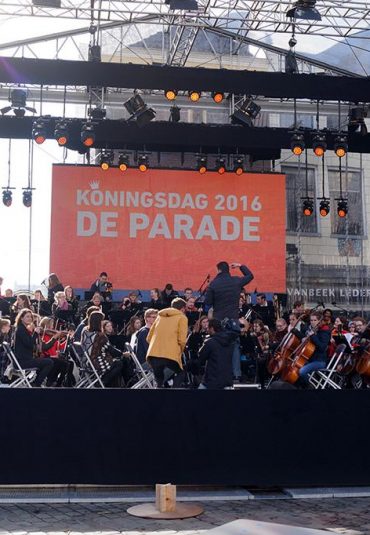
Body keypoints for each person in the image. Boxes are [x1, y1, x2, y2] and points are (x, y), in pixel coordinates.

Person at [204, 261, 254, 381]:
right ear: (228, 270)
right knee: (235, 346)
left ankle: (219, 374)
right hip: (233, 321)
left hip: (218, 321)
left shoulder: (213, 284)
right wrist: (240, 266)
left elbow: (208, 303)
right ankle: (236, 374)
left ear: (218, 270)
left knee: (218, 347)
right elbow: (250, 276)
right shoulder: (236, 281)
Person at [146, 297, 188, 388]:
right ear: (183, 308)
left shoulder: (160, 317)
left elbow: (149, 337)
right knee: (181, 373)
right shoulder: (182, 318)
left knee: (159, 381)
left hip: (153, 355)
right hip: (170, 355)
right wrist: (179, 352)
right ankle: (173, 397)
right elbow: (181, 340)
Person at [14, 308, 54, 387]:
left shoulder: (22, 328)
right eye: (27, 316)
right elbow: (29, 343)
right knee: (49, 362)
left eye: (31, 317)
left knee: (46, 361)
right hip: (22, 361)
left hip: (25, 359)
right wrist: (35, 333)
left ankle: (36, 382)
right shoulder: (21, 329)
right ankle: (36, 384)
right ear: (21, 318)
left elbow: (28, 344)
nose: (30, 318)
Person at [198, 318, 237, 389]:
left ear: (212, 329)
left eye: (208, 328)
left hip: (212, 380)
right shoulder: (230, 342)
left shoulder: (210, 343)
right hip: (227, 380)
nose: (207, 329)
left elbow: (201, 358)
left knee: (197, 398)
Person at [298, 311, 331, 386]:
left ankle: (311, 386)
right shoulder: (313, 330)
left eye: (315, 320)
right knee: (297, 368)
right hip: (310, 359)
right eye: (311, 320)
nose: (312, 322)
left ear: (319, 321)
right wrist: (304, 340)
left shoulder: (324, 332)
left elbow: (322, 347)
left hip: (320, 361)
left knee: (302, 371)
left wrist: (313, 336)